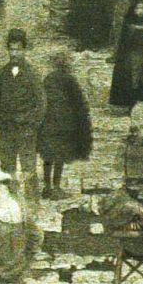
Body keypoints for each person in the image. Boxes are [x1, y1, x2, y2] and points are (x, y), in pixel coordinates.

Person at [0, 29, 46, 201]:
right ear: (8, 50)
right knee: (8, 167)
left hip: (26, 129)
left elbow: (41, 103)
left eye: (18, 49)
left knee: (28, 168)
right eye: (12, 49)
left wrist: (32, 124)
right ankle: (11, 201)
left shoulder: (32, 74)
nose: (14, 53)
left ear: (24, 50)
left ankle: (32, 203)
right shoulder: (2, 74)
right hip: (6, 129)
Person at [38, 51, 93, 198]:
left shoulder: (48, 79)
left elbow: (41, 100)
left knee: (48, 156)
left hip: (48, 124)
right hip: (64, 125)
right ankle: (56, 187)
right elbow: (79, 103)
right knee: (59, 157)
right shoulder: (70, 80)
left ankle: (47, 187)